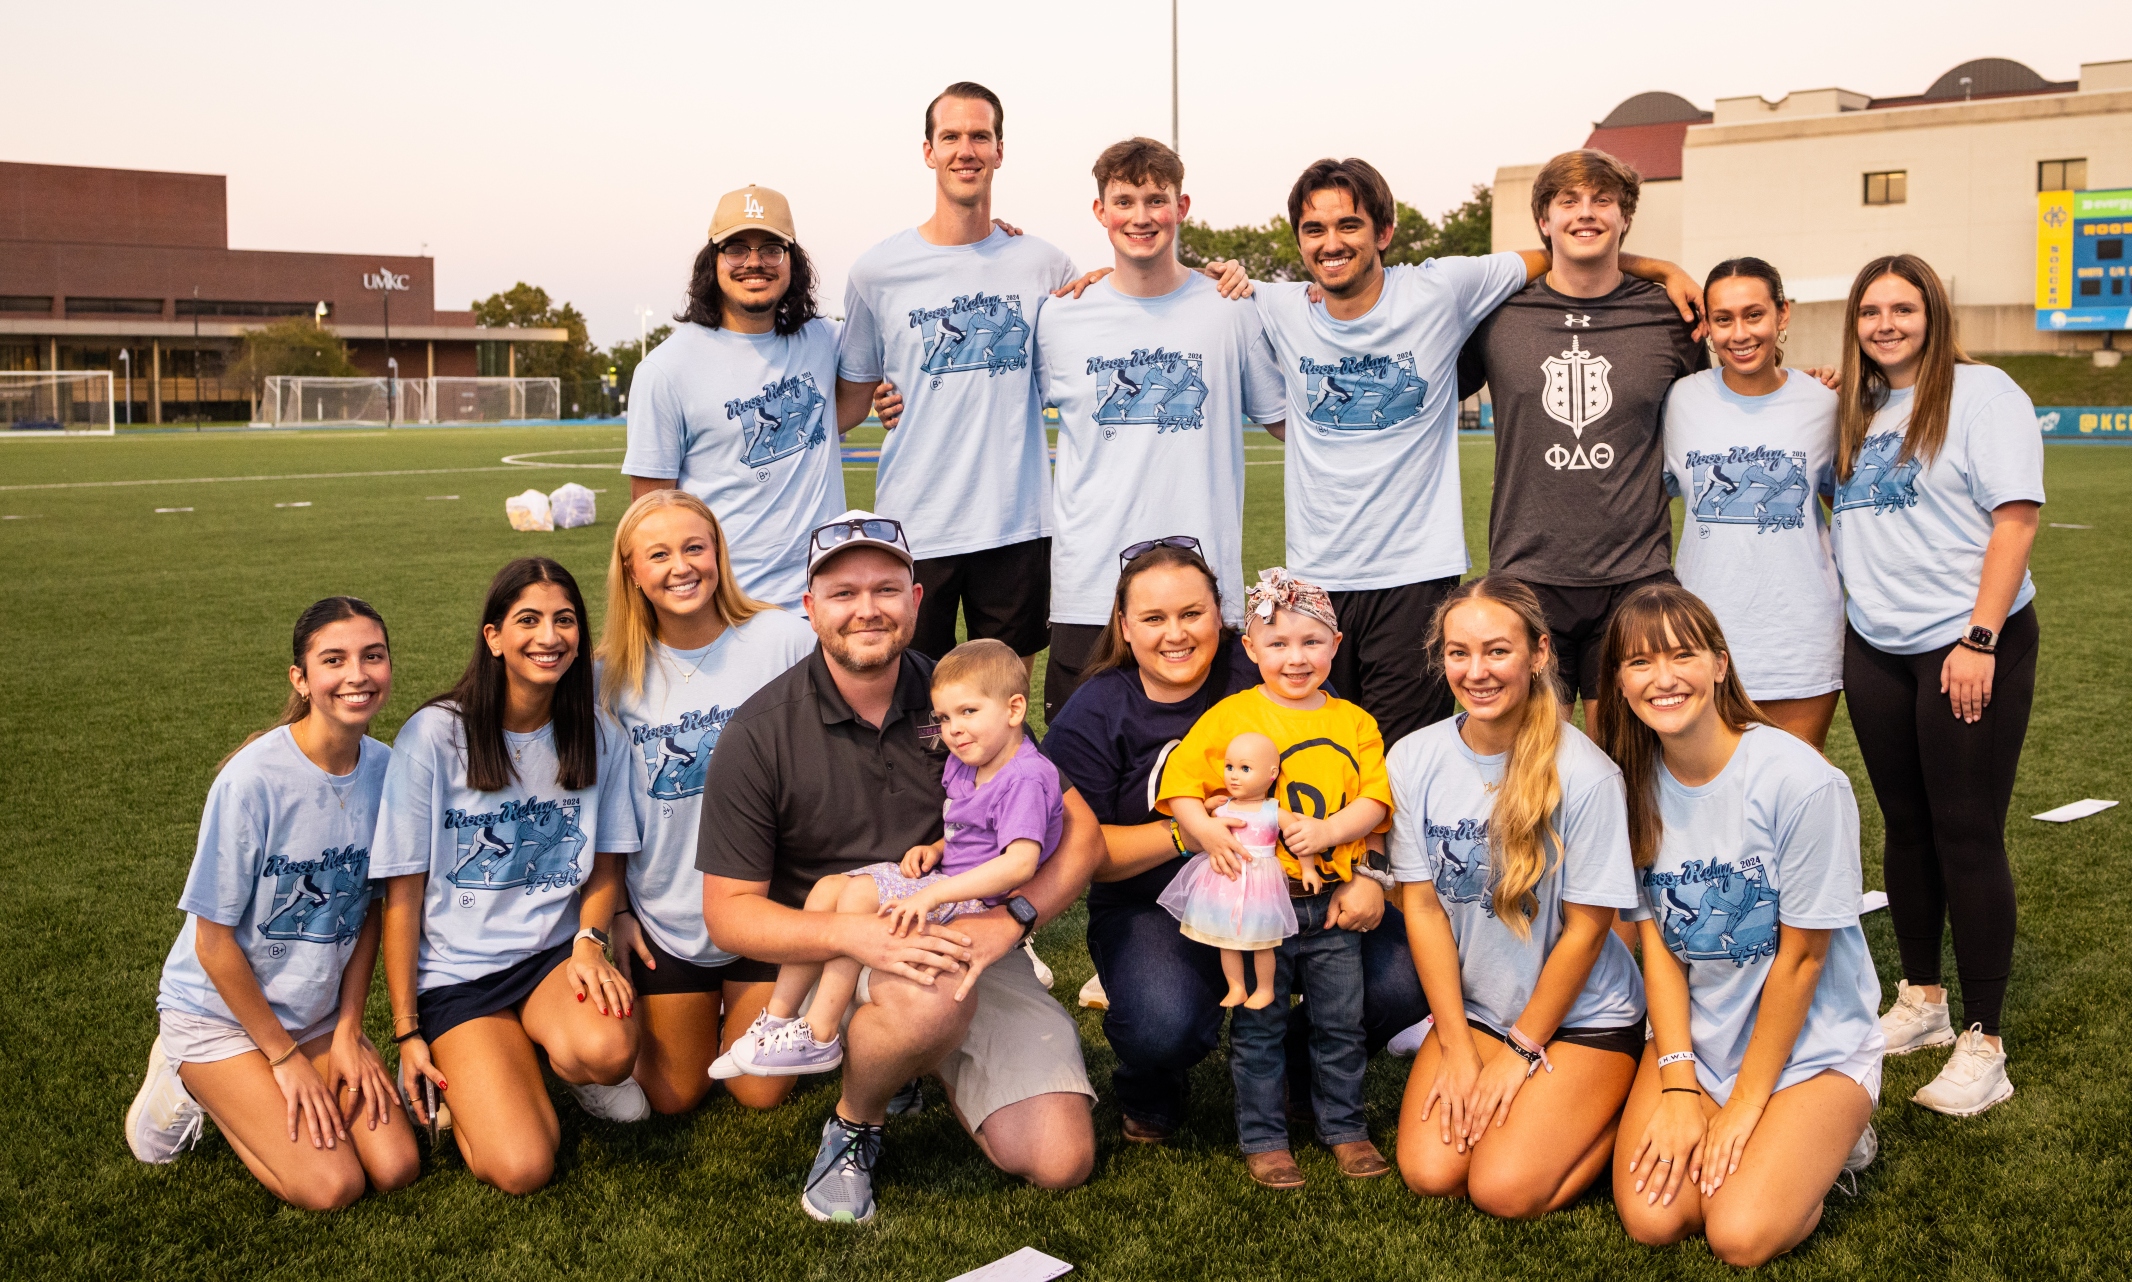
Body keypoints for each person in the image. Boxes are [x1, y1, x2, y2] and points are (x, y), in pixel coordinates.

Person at [1203, 157, 1701, 746]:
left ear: (1383, 233)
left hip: (1419, 574)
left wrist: (1659, 266)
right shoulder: (1276, 304)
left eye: (1350, 226)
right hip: (1317, 580)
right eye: (1315, 230)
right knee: (1327, 756)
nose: (1332, 243)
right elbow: (1171, 281)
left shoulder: (1443, 288)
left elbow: (1559, 252)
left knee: (1413, 762)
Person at [696, 512, 1104, 1226]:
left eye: (886, 589)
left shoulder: (963, 695)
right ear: (810, 606)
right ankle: (857, 1124)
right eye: (843, 592)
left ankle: (914, 1060)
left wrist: (1013, 919)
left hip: (965, 932)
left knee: (1059, 1159)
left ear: (917, 601)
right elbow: (729, 913)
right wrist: (858, 941)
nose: (866, 610)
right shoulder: (759, 731)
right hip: (834, 948)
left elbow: (1081, 838)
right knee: (925, 1002)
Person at [1043, 541, 1424, 1148]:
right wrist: (1186, 832)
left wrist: (1368, 872)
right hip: (1156, 906)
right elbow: (1078, 853)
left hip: (1301, 890)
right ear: (1123, 625)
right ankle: (1153, 1086)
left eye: (1192, 614)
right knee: (1161, 1021)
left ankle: (1299, 1072)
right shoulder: (1097, 708)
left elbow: (1359, 773)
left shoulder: (1272, 668)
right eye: (1153, 618)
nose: (1176, 634)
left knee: (1407, 974)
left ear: (1221, 619)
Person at [1593, 583, 1881, 1267]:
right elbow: (1658, 943)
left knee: (1739, 1234)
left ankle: (1840, 1138)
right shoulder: (1629, 786)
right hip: (1703, 1044)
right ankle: (1770, 1143)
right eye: (1639, 663)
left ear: (1720, 664)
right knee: (1655, 1220)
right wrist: (1680, 1083)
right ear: (1619, 684)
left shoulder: (1800, 781)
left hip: (1812, 1047)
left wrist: (1747, 1105)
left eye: (1682, 655)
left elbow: (1804, 961)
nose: (1663, 678)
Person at [1829, 254, 2043, 1117]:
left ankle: (1985, 1040)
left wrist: (1979, 639)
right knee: (1907, 827)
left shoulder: (1984, 393)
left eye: (1903, 309)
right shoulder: (1860, 406)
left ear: (1933, 313)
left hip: (1967, 643)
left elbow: (2016, 519)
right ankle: (1922, 998)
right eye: (1871, 310)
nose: (1885, 323)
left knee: (1966, 830)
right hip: (1877, 643)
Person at [129, 597, 418, 1209]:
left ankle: (278, 1069)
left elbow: (370, 910)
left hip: (311, 1012)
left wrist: (346, 1030)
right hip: (220, 1016)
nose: (356, 675)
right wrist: (283, 1059)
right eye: (333, 660)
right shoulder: (252, 780)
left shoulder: (389, 770)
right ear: (302, 678)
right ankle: (185, 1078)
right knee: (333, 1185)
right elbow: (212, 942)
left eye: (373, 656)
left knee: (395, 1165)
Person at [376, 558, 645, 1196]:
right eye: (528, 620)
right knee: (524, 1167)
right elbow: (402, 896)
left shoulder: (598, 731)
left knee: (609, 1054)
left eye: (565, 621)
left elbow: (606, 865)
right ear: (494, 637)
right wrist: (407, 1030)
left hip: (551, 958)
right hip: (459, 978)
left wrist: (589, 942)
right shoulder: (435, 735)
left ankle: (545, 1060)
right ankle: (476, 1078)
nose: (548, 637)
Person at [1388, 575, 1644, 1219]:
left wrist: (1519, 1054)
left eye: (1497, 651)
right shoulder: (1413, 759)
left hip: (1582, 1018)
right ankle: (1545, 1109)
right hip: (1479, 1010)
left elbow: (1590, 930)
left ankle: (1618, 1104)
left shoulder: (1586, 774)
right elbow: (1420, 907)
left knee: (1502, 1190)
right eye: (1458, 652)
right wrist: (1454, 1043)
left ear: (1538, 654)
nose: (1476, 671)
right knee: (1430, 1171)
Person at [714, 638, 1064, 1079]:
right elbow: (972, 829)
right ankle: (776, 1021)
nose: (954, 729)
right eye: (943, 718)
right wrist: (936, 848)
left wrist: (935, 891)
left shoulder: (1026, 777)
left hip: (980, 906)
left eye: (969, 712)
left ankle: (820, 1035)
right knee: (827, 889)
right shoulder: (969, 757)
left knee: (858, 899)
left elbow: (1018, 864)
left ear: (1015, 710)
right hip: (949, 881)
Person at [1157, 567, 1396, 1188]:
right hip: (1257, 904)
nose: (1296, 658)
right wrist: (1202, 829)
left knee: (1341, 1022)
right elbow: (1181, 785)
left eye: (1312, 642)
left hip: (1328, 906)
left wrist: (1331, 832)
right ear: (1252, 649)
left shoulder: (1354, 723)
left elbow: (1375, 802)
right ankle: (1265, 1138)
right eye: (1279, 643)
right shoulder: (1232, 715)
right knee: (1258, 1022)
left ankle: (1344, 1126)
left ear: (1336, 646)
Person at [1033, 136, 1285, 718]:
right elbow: (994, 405)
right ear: (1100, 212)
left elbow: (1285, 424)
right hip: (1091, 590)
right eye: (1124, 201)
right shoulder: (1060, 316)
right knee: (1083, 784)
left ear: (1182, 206)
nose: (1140, 217)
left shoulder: (1230, 308)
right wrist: (893, 397)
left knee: (1222, 783)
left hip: (1203, 593)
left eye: (1156, 200)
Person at [1456, 150, 1707, 718]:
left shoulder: (1670, 314)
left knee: (1631, 767)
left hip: (1635, 576)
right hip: (1527, 573)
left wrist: (1802, 382)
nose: (1585, 214)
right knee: (1536, 769)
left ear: (1625, 218)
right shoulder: (1498, 311)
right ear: (1544, 220)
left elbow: (1723, 402)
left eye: (1603, 201)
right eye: (1568, 201)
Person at [836, 82, 1077, 666]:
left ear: (999, 150)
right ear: (928, 151)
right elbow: (850, 395)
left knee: (1005, 695)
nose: (965, 149)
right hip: (917, 521)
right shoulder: (877, 271)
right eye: (951, 137)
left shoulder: (1044, 264)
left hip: (1014, 521)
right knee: (911, 700)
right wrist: (880, 400)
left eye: (979, 136)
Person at [596, 490, 818, 1113]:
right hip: (666, 915)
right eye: (659, 554)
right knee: (671, 1095)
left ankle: (817, 995)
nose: (681, 566)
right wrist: (615, 913)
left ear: (719, 554)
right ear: (632, 572)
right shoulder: (607, 675)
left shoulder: (780, 639)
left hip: (765, 906)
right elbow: (599, 812)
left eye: (695, 547)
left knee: (760, 1090)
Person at [622, 185, 872, 609]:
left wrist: (984, 240)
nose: (754, 262)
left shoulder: (824, 340)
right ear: (712, 261)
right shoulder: (665, 370)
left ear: (793, 261)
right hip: (727, 611)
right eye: (736, 249)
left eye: (772, 248)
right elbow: (650, 521)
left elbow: (885, 358)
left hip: (823, 603)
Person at [1660, 258, 1843, 749]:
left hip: (1800, 633)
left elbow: (1843, 508)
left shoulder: (1824, 403)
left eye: (1754, 315)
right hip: (1702, 636)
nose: (1739, 333)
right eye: (1723, 319)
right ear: (1708, 327)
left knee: (1794, 793)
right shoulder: (1680, 401)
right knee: (1706, 797)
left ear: (1782, 314)